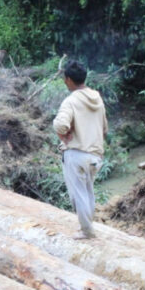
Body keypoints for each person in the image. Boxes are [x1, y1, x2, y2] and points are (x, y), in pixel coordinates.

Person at [52, 59, 108, 240]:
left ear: (68, 79)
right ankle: (88, 225)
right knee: (88, 191)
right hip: (95, 155)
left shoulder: (71, 101)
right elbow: (104, 128)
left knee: (79, 195)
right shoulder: (97, 98)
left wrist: (63, 134)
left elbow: (60, 125)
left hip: (76, 153)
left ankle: (87, 231)